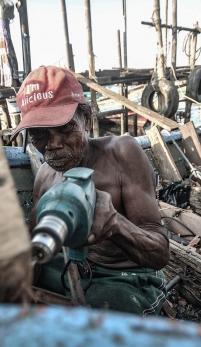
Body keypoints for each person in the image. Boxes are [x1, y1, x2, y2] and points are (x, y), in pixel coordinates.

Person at [10, 66, 170, 316]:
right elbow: (34, 243)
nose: (52, 145)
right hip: (69, 264)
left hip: (123, 275)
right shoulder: (44, 174)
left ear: (86, 120)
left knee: (104, 313)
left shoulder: (122, 154)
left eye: (64, 129)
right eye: (39, 134)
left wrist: (116, 225)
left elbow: (159, 253)